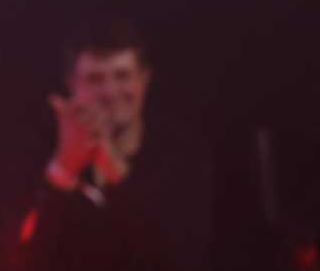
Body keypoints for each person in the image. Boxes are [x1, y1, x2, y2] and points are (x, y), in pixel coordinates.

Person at [13, 22, 212, 271]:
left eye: (122, 76)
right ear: (71, 84)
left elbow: (176, 258)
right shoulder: (38, 156)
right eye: (95, 79)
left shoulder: (182, 159)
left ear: (144, 80)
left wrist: (111, 165)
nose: (109, 91)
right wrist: (63, 170)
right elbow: (21, 260)